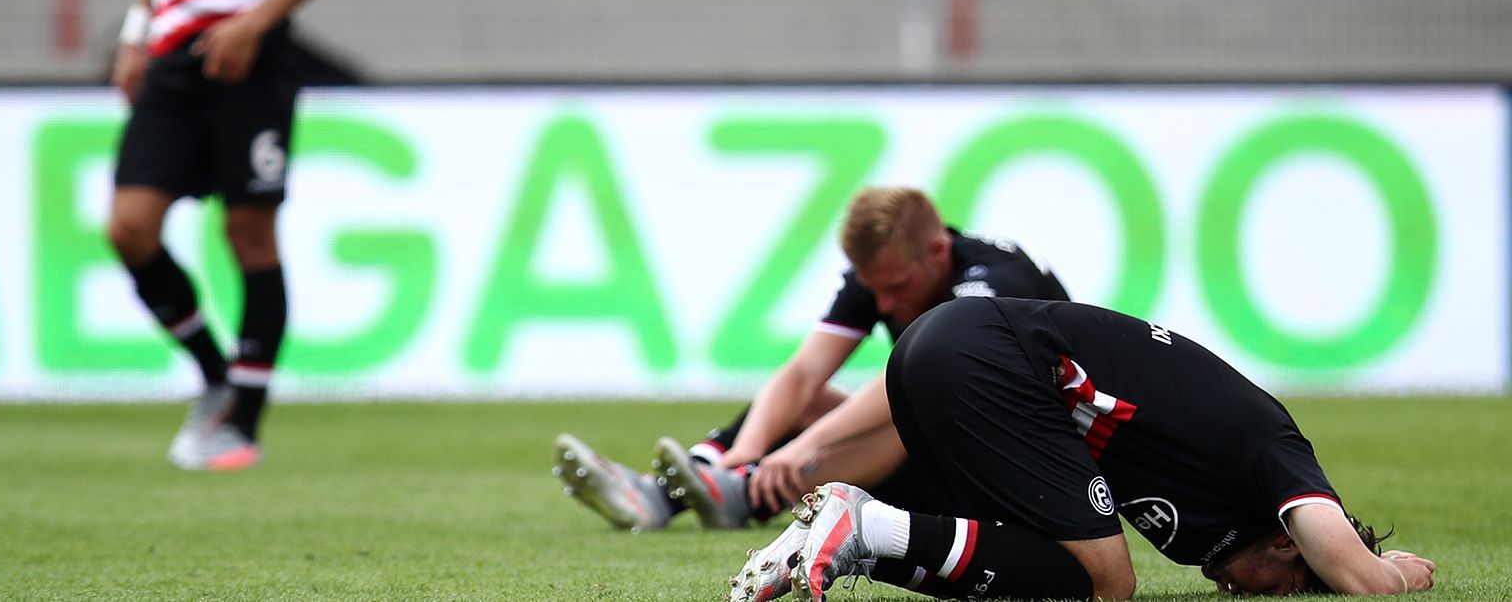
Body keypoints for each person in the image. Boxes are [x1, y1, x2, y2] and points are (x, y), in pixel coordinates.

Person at [729, 295, 1437, 601]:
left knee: (1051, 572)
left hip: (940, 355)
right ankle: (859, 522)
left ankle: (857, 536)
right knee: (1112, 584)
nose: (1236, 590)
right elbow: (1358, 578)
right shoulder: (1275, 447)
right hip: (984, 354)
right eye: (1283, 589)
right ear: (1287, 546)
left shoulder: (1209, 528)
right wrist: (1401, 571)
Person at [105, 0, 341, 471]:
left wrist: (254, 21)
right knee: (130, 228)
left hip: (252, 63)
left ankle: (244, 418)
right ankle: (213, 375)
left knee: (248, 233)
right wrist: (138, 30)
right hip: (174, 57)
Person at [553, 186, 1070, 531]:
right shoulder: (888, 272)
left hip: (1032, 483)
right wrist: (753, 444)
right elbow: (803, 372)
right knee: (811, 401)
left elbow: (907, 381)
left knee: (903, 414)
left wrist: (803, 448)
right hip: (954, 456)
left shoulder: (995, 283)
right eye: (876, 292)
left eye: (896, 289)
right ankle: (696, 481)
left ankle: (742, 493)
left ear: (937, 252)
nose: (885, 305)